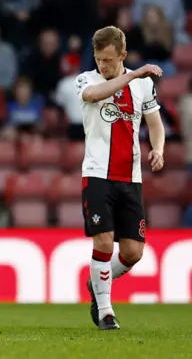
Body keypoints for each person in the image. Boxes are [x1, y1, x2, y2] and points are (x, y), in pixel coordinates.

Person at [76, 26, 165, 330]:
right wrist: (131, 74)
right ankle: (105, 311)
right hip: (97, 174)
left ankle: (96, 282)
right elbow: (92, 95)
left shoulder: (143, 87)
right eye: (99, 59)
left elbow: (155, 124)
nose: (103, 66)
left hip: (131, 178)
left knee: (132, 253)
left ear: (122, 56)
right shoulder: (87, 79)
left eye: (109, 60)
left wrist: (158, 149)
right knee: (103, 242)